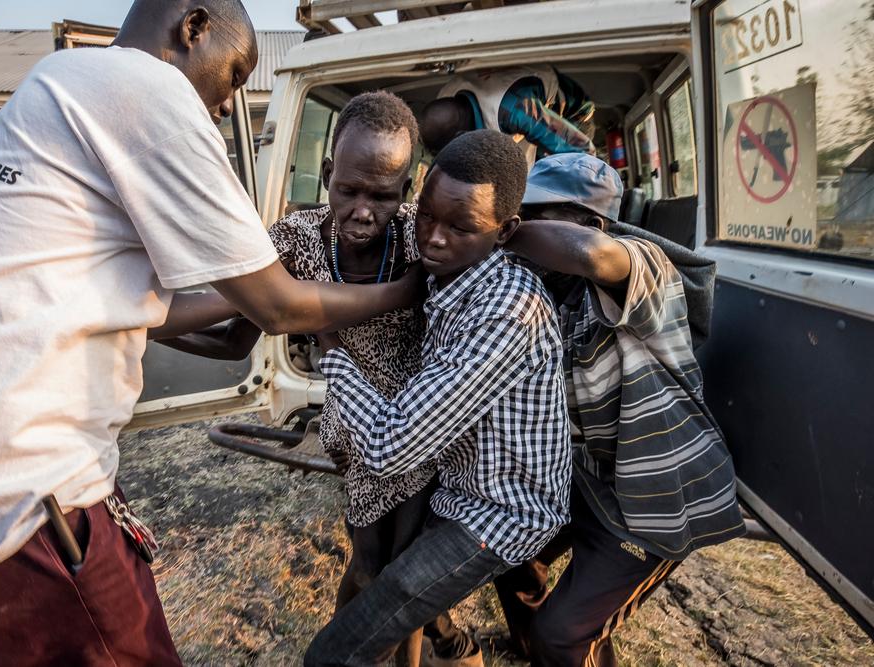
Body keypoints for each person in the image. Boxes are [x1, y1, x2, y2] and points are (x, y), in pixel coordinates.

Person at [0, 2, 422, 665]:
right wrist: (403, 292)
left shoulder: (56, 83)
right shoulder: (151, 92)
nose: (230, 101)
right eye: (236, 71)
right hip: (11, 495)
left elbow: (147, 308)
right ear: (193, 26)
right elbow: (277, 308)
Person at [162, 90, 475, 666]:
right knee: (370, 561)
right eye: (348, 189)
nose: (362, 210)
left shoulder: (418, 241)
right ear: (327, 172)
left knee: (401, 569)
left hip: (418, 429)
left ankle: (406, 650)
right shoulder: (296, 242)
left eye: (382, 195)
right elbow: (237, 335)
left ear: (406, 190)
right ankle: (393, 643)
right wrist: (146, 330)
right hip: (354, 434)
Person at [303, 130, 572, 667]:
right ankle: (448, 643)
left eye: (461, 227)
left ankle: (440, 642)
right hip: (453, 477)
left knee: (334, 653)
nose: (433, 239)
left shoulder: (505, 313)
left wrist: (329, 346)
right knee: (375, 571)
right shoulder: (446, 277)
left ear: (505, 231)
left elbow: (389, 445)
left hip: (496, 513)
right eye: (426, 216)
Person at [490, 153, 746, 665]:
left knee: (565, 636)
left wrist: (492, 230)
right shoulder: (544, 291)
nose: (521, 228)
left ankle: (560, 644)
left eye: (535, 217)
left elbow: (591, 255)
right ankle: (533, 645)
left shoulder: (646, 268)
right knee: (504, 550)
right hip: (589, 483)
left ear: (593, 223)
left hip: (653, 504)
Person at [419, 66, 596, 164]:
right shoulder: (445, 96)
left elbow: (582, 150)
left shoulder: (516, 110)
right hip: (516, 107)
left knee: (551, 172)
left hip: (573, 114)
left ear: (460, 135)